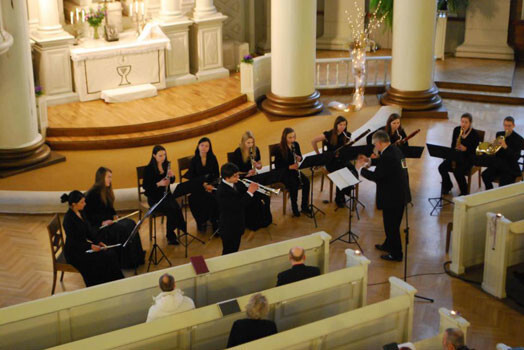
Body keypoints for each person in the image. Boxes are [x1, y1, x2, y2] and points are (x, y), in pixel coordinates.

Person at [356, 130, 409, 262]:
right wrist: (370, 161)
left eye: (375, 144)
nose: (374, 147)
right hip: (400, 193)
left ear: (379, 143)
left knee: (392, 226)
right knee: (391, 223)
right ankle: (388, 244)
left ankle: (397, 254)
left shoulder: (388, 156)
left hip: (393, 197)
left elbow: (377, 176)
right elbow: (384, 164)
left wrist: (360, 169)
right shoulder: (394, 150)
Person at [84, 167, 145, 269]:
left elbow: (109, 208)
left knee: (131, 223)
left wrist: (114, 216)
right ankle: (127, 262)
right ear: (101, 178)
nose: (110, 180)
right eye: (108, 177)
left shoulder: (106, 191)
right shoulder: (92, 194)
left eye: (111, 177)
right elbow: (88, 216)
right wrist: (102, 222)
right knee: (123, 229)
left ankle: (136, 258)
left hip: (109, 222)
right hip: (99, 228)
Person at [61, 190, 124, 287]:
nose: (85, 204)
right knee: (102, 258)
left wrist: (98, 241)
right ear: (74, 204)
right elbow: (75, 242)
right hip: (74, 252)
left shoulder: (81, 212)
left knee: (110, 253)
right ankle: (100, 286)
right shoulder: (68, 220)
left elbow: (89, 231)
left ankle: (115, 282)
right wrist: (90, 246)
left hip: (82, 246)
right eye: (82, 202)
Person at [142, 145, 186, 245]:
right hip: (154, 197)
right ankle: (171, 235)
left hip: (166, 195)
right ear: (154, 156)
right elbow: (146, 187)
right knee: (171, 208)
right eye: (160, 155)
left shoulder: (166, 165)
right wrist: (159, 184)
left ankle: (177, 229)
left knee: (176, 207)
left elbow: (171, 181)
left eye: (164, 155)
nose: (163, 158)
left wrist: (172, 176)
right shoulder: (148, 169)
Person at [311, 116, 358, 208]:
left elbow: (347, 150)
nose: (342, 127)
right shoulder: (329, 134)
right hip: (331, 161)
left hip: (342, 160)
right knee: (341, 173)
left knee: (353, 170)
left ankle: (346, 189)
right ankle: (339, 198)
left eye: (344, 125)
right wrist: (319, 154)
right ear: (336, 125)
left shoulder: (347, 135)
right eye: (340, 124)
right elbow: (313, 141)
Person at [230, 131, 272, 230]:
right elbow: (235, 172)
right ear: (243, 142)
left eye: (252, 142)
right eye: (248, 143)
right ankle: (253, 222)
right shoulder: (237, 152)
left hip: (253, 177)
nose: (250, 145)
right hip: (242, 179)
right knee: (253, 197)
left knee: (265, 194)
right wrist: (246, 173)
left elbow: (260, 166)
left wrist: (257, 165)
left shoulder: (255, 149)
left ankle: (265, 219)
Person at [216, 163, 258, 255]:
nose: (238, 177)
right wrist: (250, 192)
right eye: (235, 176)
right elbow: (238, 205)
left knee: (235, 249)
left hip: (237, 224)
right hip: (229, 227)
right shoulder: (222, 191)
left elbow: (240, 189)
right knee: (229, 251)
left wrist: (247, 176)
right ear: (227, 178)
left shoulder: (232, 182)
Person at [438, 113, 480, 196]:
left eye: (466, 122)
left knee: (458, 171)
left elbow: (476, 151)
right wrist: (454, 150)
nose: (463, 124)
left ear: (470, 123)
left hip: (468, 158)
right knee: (441, 167)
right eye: (462, 122)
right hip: (456, 155)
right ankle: (448, 186)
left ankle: (464, 192)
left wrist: (466, 149)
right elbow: (452, 144)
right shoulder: (457, 130)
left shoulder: (474, 134)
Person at [183, 137, 219, 233]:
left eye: (206, 146)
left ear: (209, 148)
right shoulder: (194, 160)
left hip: (211, 185)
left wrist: (210, 185)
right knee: (194, 198)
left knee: (216, 196)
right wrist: (203, 185)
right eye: (202, 145)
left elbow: (216, 174)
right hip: (198, 186)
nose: (204, 148)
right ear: (198, 146)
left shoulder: (213, 158)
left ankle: (215, 221)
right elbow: (192, 176)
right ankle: (201, 221)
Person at [274, 127, 311, 217]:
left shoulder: (296, 144)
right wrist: (289, 167)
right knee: (293, 184)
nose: (292, 139)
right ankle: (295, 208)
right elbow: (277, 166)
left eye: (293, 137)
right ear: (284, 137)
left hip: (294, 170)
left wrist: (299, 158)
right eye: (290, 137)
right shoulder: (279, 148)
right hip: (284, 172)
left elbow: (300, 157)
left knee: (306, 182)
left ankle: (304, 206)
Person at [482, 116, 523, 190]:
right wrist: (493, 145)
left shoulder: (519, 139)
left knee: (503, 183)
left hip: (510, 167)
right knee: (485, 175)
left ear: (513, 126)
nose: (506, 128)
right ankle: (490, 191)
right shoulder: (499, 134)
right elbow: (495, 152)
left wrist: (505, 146)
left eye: (509, 126)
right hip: (498, 164)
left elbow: (516, 157)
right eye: (505, 125)